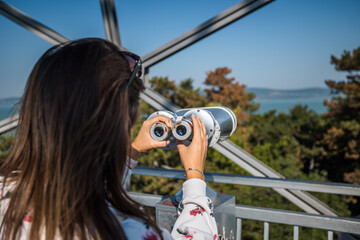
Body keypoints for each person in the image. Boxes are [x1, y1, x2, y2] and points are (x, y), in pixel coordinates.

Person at [0, 38, 217, 240]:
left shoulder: (5, 190)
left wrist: (133, 152)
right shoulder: (125, 230)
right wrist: (195, 176)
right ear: (114, 127)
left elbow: (81, 185)